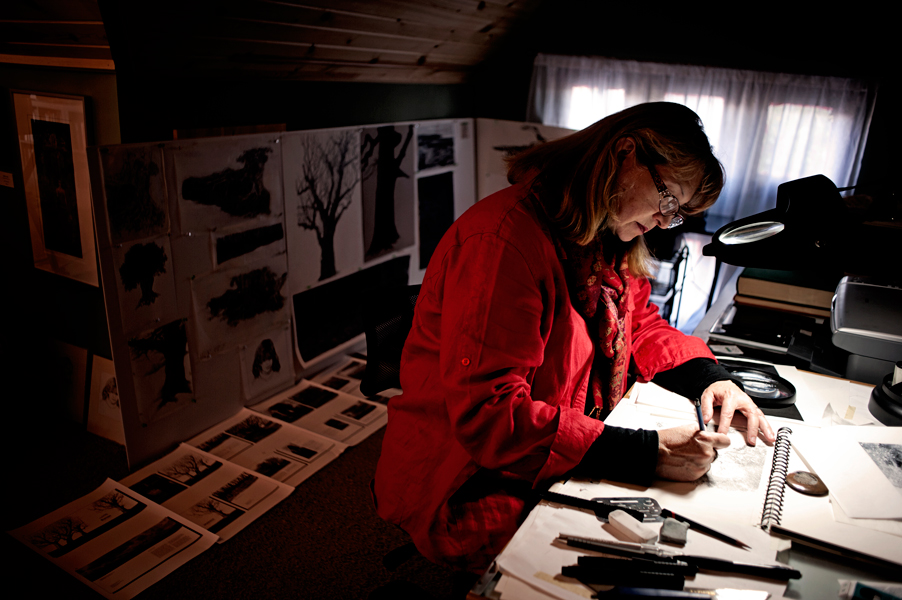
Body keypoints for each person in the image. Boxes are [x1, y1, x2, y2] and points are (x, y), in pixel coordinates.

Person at [373, 102, 775, 574]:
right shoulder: (502, 243)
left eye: (679, 214)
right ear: (625, 154)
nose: (667, 223)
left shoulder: (603, 234)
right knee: (567, 568)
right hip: (463, 468)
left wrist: (711, 379)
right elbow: (491, 417)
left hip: (551, 435)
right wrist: (647, 451)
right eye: (668, 201)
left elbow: (640, 322)